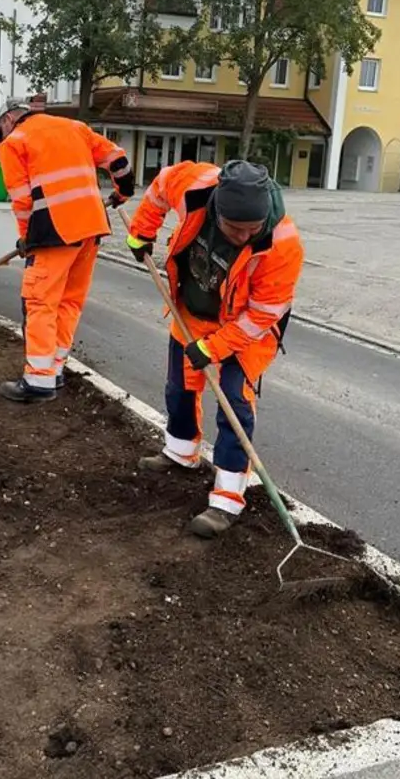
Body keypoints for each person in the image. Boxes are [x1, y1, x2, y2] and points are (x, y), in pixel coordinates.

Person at [125, 159, 304, 539]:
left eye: (251, 230)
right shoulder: (193, 187)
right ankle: (179, 452)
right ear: (216, 209)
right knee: (180, 387)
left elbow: (262, 315)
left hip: (245, 330)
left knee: (233, 405)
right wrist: (142, 232)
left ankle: (227, 497)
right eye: (233, 229)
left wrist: (215, 347)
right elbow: (158, 188)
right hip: (193, 310)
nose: (242, 237)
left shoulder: (282, 243)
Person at [0, 102, 133, 402]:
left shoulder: (14, 143)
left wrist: (25, 239)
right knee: (68, 302)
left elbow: (22, 201)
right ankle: (54, 370)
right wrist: (123, 192)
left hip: (53, 232)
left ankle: (38, 381)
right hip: (92, 228)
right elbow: (119, 160)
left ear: (8, 119)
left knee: (40, 301)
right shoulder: (75, 128)